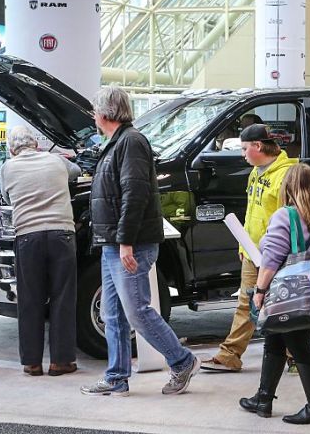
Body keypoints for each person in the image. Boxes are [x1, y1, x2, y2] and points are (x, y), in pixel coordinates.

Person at [81, 87, 200, 396]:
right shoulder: (117, 142)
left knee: (137, 311)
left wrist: (126, 241)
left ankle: (182, 360)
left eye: (95, 111)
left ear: (105, 114)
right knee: (112, 314)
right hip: (112, 243)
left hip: (129, 243)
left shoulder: (131, 142)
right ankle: (116, 377)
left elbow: (135, 193)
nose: (93, 116)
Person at [238, 163, 310, 424]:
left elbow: (271, 259)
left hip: (288, 294)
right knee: (275, 340)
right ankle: (263, 398)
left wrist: (259, 290)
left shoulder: (285, 215)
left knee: (301, 347)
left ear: (288, 187)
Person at [201, 123, 297, 372]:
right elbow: (253, 209)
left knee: (278, 304)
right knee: (247, 301)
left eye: (245, 149)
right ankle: (230, 355)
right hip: (253, 252)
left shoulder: (288, 175)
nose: (242, 155)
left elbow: (290, 219)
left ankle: (296, 353)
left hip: (276, 254)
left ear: (258, 146)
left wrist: (278, 252)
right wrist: (244, 242)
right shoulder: (256, 172)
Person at [1, 126, 81, 376]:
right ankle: (61, 361)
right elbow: (77, 171)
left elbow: (6, 197)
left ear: (12, 149)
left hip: (27, 237)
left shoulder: (8, 167)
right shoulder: (55, 160)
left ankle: (32, 362)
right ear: (36, 144)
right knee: (63, 298)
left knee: (29, 299)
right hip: (62, 234)